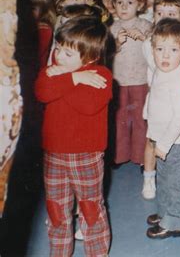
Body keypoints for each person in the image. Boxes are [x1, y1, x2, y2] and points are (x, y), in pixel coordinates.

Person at [35, 16, 113, 256]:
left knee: (90, 209)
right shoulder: (54, 71)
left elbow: (87, 106)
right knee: (56, 209)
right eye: (58, 48)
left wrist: (64, 80)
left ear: (89, 58)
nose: (59, 56)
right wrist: (72, 77)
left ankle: (97, 252)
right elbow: (41, 93)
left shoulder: (101, 75)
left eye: (68, 54)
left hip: (85, 156)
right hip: (54, 154)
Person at [143, 19, 180, 239]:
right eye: (160, 49)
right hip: (161, 137)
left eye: (173, 50)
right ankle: (166, 212)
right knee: (163, 180)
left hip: (177, 142)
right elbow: (153, 95)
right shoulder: (161, 70)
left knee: (176, 184)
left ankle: (174, 223)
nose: (165, 56)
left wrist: (164, 144)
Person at [110, 0, 152, 170]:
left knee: (140, 120)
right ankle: (119, 156)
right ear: (113, 5)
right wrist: (117, 44)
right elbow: (106, 53)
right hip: (118, 81)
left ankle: (141, 156)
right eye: (120, 3)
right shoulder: (111, 28)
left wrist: (144, 39)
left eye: (129, 2)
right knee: (120, 120)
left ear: (140, 4)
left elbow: (155, 50)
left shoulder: (146, 26)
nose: (124, 7)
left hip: (140, 80)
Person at [19, 0, 56, 70]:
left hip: (33, 73)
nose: (25, 12)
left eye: (32, 9)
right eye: (22, 7)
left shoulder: (44, 29)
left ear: (44, 9)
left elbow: (27, 56)